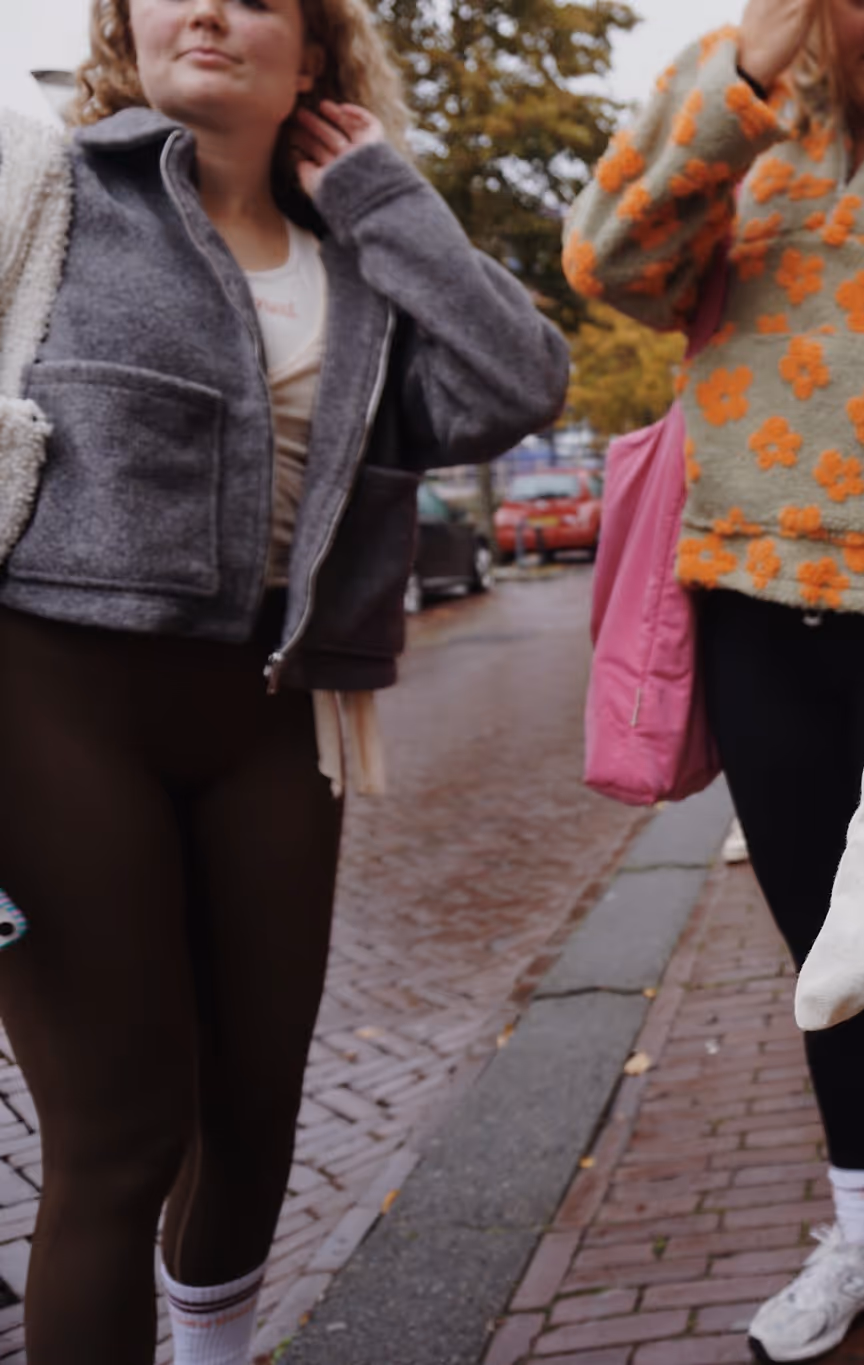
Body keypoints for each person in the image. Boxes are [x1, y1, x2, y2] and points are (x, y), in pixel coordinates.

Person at [0, 0, 570, 1359]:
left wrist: (380, 192)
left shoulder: (359, 259)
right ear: (124, 27)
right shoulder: (51, 192)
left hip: (275, 711)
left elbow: (522, 380)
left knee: (252, 1114)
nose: (206, 9)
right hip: (50, 698)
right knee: (120, 1133)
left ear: (311, 55)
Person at [563, 1, 864, 1361]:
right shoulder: (736, 114)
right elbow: (608, 261)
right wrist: (750, 67)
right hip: (756, 608)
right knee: (831, 958)